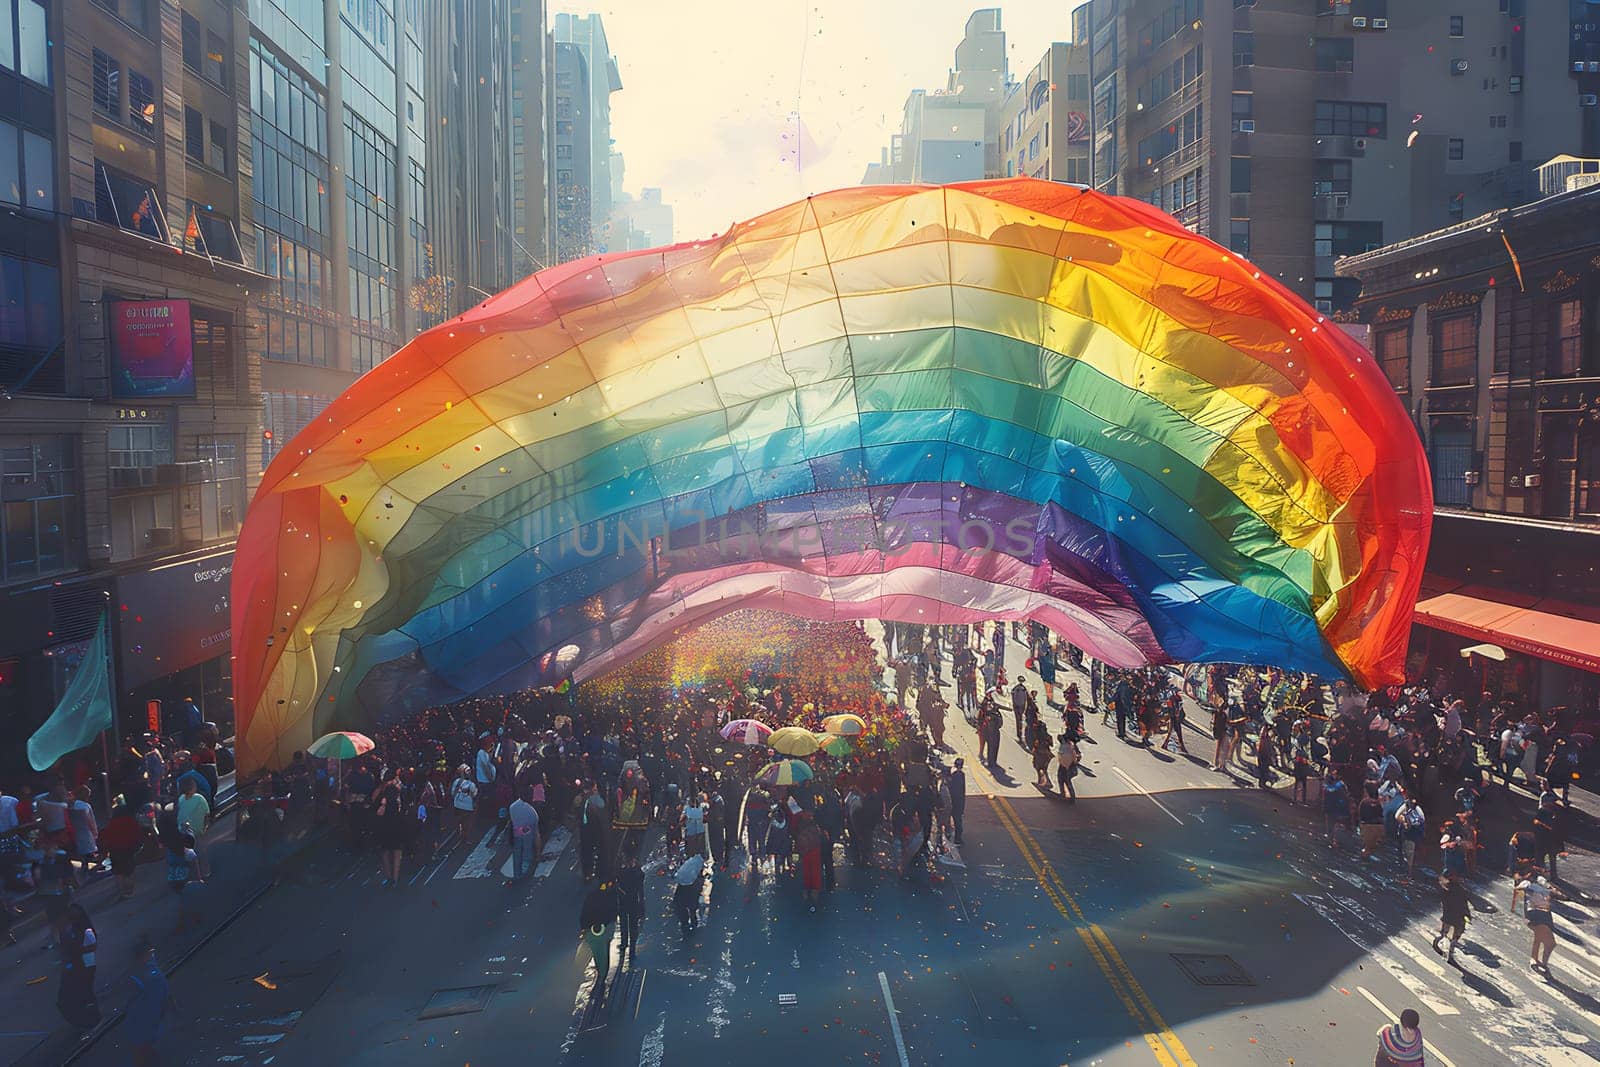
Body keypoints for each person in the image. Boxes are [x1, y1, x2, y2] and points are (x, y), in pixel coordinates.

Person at [125, 938, 177, 1066]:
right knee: (142, 1049)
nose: (153, 954)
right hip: (145, 1022)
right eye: (150, 952)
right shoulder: (140, 977)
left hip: (151, 1020)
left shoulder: (150, 970)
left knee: (144, 1049)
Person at [56, 902, 100, 1033]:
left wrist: (76, 951)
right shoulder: (68, 929)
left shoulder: (85, 930)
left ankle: (93, 1018)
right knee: (82, 991)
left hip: (86, 964)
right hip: (76, 964)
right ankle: (85, 1017)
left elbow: (92, 946)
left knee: (86, 991)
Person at [1512, 867, 1559, 973]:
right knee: (1541, 938)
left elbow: (1549, 889)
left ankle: (1539, 962)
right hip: (1535, 913)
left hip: (1545, 913)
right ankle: (1536, 961)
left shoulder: (1541, 881)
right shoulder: (1527, 883)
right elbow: (1518, 889)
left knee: (1549, 942)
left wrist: (1551, 890)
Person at [578, 878, 617, 1003]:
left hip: (592, 930)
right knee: (604, 953)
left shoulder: (591, 897)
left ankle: (598, 971)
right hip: (604, 930)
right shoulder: (611, 897)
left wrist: (584, 928)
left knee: (594, 951)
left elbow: (584, 914)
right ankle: (602, 977)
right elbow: (613, 914)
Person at [99, 804, 147, 900]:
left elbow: (104, 838)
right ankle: (129, 892)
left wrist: (104, 852)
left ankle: (122, 892)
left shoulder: (111, 823)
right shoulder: (132, 822)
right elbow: (139, 836)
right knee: (129, 871)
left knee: (118, 872)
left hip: (115, 851)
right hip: (128, 850)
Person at [1432, 870, 1471, 964]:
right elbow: (1464, 905)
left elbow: (1443, 902)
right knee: (1456, 935)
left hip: (1448, 915)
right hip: (1459, 917)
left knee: (1445, 933)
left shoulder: (1445, 890)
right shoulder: (1461, 891)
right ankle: (1450, 950)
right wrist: (1467, 915)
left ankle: (1442, 943)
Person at [506, 788, 541, 885]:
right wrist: (538, 853)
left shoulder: (512, 806)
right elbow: (536, 834)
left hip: (516, 834)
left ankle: (517, 873)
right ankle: (524, 874)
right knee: (527, 854)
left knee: (517, 854)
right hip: (527, 837)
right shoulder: (532, 813)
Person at [616, 852, 645, 966]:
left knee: (624, 924)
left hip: (624, 902)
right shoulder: (638, 874)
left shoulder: (622, 873)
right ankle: (631, 950)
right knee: (633, 926)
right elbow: (640, 891)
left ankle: (624, 944)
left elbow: (617, 884)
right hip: (633, 902)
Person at [793, 810, 823, 911]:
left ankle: (808, 889)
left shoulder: (801, 822)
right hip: (813, 848)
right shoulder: (814, 823)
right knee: (813, 869)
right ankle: (814, 890)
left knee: (807, 869)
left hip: (806, 848)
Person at [672, 853, 706, 939]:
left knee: (685, 918)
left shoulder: (687, 869)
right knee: (692, 912)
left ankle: (687, 932)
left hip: (682, 898)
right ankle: (692, 930)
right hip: (689, 896)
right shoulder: (696, 877)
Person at [449, 764, 478, 846]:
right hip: (468, 807)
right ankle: (465, 839)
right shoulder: (471, 784)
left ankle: (459, 834)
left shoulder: (456, 782)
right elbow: (474, 794)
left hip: (457, 805)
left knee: (459, 821)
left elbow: (452, 793)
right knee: (467, 824)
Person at [1057, 728, 1081, 801]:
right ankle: (1064, 794)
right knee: (1062, 779)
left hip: (1068, 765)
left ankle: (1070, 796)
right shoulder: (1067, 743)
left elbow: (1075, 756)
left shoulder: (1070, 745)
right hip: (1065, 764)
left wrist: (1072, 763)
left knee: (1066, 780)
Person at [948, 758, 966, 845]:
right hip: (958, 801)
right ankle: (958, 839)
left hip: (952, 800)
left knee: (950, 819)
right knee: (957, 820)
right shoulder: (961, 775)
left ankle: (951, 836)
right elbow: (962, 791)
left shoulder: (953, 774)